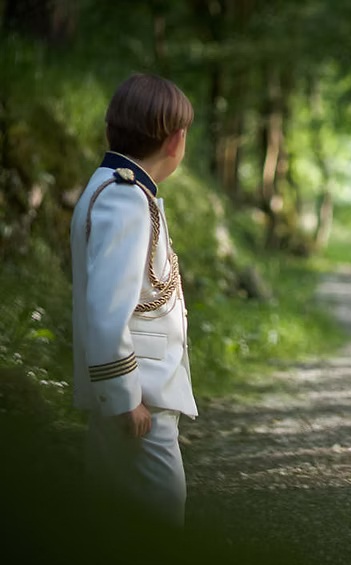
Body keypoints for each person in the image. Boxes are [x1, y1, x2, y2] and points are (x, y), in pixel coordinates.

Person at [70, 73, 197, 527]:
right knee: (159, 525)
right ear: (175, 141)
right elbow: (107, 313)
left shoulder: (125, 191)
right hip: (137, 400)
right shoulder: (124, 198)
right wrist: (124, 398)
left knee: (115, 527)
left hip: (134, 397)